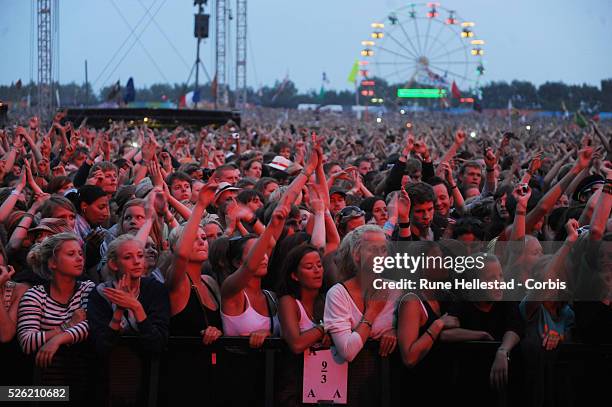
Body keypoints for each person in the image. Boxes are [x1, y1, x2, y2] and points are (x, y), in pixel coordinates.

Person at [324, 225, 400, 406]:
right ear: (356, 255)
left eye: (383, 250)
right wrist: (372, 312)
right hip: (350, 389)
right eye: (373, 250)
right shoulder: (338, 294)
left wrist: (397, 330)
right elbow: (348, 351)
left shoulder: (397, 289)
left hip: (391, 386)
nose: (381, 256)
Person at [17, 233, 94, 369]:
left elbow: (92, 325)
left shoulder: (88, 289)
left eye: (80, 254)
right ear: (52, 263)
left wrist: (58, 339)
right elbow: (27, 342)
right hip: (46, 378)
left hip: (84, 374)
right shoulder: (35, 295)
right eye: (71, 254)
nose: (79, 259)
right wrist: (68, 325)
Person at [276, 243, 330, 406]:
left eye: (319, 265)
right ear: (295, 275)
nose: (317, 270)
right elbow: (297, 343)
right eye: (309, 266)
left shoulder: (327, 299)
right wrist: (324, 328)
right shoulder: (288, 301)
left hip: (324, 386)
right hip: (293, 386)